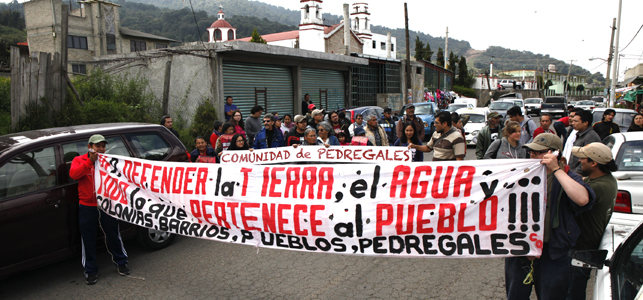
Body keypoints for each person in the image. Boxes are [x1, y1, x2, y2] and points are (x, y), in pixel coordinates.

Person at [506, 133, 595, 300]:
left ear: (555, 154)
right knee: (515, 295)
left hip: (553, 253)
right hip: (520, 250)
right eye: (531, 152)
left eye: (539, 152)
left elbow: (582, 199)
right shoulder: (519, 175)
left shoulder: (567, 177)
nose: (533, 155)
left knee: (552, 295)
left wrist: (556, 169)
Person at [70, 134, 129, 285]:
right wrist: (90, 162)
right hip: (87, 206)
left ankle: (121, 262)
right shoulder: (79, 160)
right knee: (88, 239)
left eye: (103, 146)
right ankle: (90, 270)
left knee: (113, 234)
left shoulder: (109, 161)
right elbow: (74, 174)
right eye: (98, 146)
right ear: (90, 147)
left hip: (107, 204)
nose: (101, 149)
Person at [567, 143, 618, 300]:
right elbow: (582, 180)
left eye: (583, 158)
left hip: (582, 249)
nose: (579, 161)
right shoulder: (606, 179)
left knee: (572, 292)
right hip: (586, 246)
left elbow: (575, 197)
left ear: (594, 163)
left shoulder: (598, 187)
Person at [567, 109, 602, 174]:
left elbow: (589, 159)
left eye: (576, 121)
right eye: (573, 121)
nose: (573, 123)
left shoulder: (591, 136)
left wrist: (576, 174)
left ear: (585, 123)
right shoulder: (579, 134)